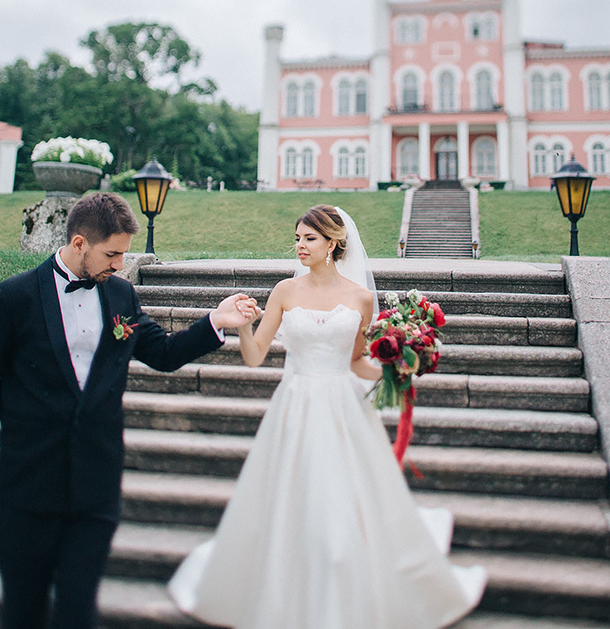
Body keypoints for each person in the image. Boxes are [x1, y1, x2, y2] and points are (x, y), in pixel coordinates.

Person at [168, 204, 486, 629]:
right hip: (295, 406)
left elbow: (356, 361)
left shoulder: (361, 298)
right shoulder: (284, 291)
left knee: (344, 508)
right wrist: (244, 325)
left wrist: (399, 371)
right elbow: (254, 358)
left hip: (342, 408)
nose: (299, 246)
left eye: (309, 239)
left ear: (333, 243)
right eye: (297, 238)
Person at [0, 192, 257, 629]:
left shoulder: (120, 295)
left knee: (78, 612)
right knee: (24, 613)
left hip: (96, 487)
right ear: (79, 243)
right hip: (28, 487)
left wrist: (216, 320)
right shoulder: (13, 297)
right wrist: (29, 419)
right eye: (112, 254)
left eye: (123, 255)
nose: (119, 264)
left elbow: (164, 353)